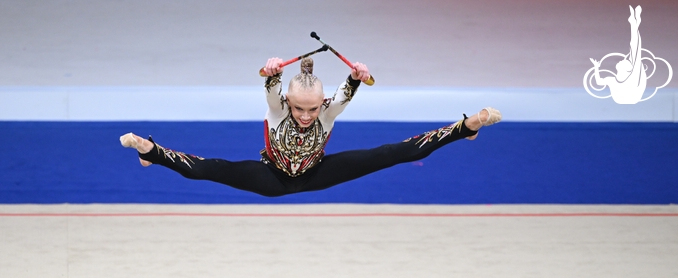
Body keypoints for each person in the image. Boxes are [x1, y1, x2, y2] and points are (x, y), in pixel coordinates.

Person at [120, 57, 501, 197]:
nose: (305, 116)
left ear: (323, 104)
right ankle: (152, 153)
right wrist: (273, 71)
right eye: (299, 108)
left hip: (317, 173)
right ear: (287, 102)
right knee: (207, 170)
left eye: (312, 109)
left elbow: (347, 91)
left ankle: (463, 128)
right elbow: (271, 85)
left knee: (391, 154)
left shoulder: (327, 109)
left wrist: (356, 75)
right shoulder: (277, 106)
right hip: (271, 178)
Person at [589, 5, 646, 104]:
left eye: (624, 61)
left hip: (626, 97)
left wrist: (596, 67)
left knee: (635, 50)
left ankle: (634, 24)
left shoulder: (612, 80)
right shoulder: (632, 77)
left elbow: (599, 82)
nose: (623, 59)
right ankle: (634, 24)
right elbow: (636, 49)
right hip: (631, 96)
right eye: (627, 61)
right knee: (635, 51)